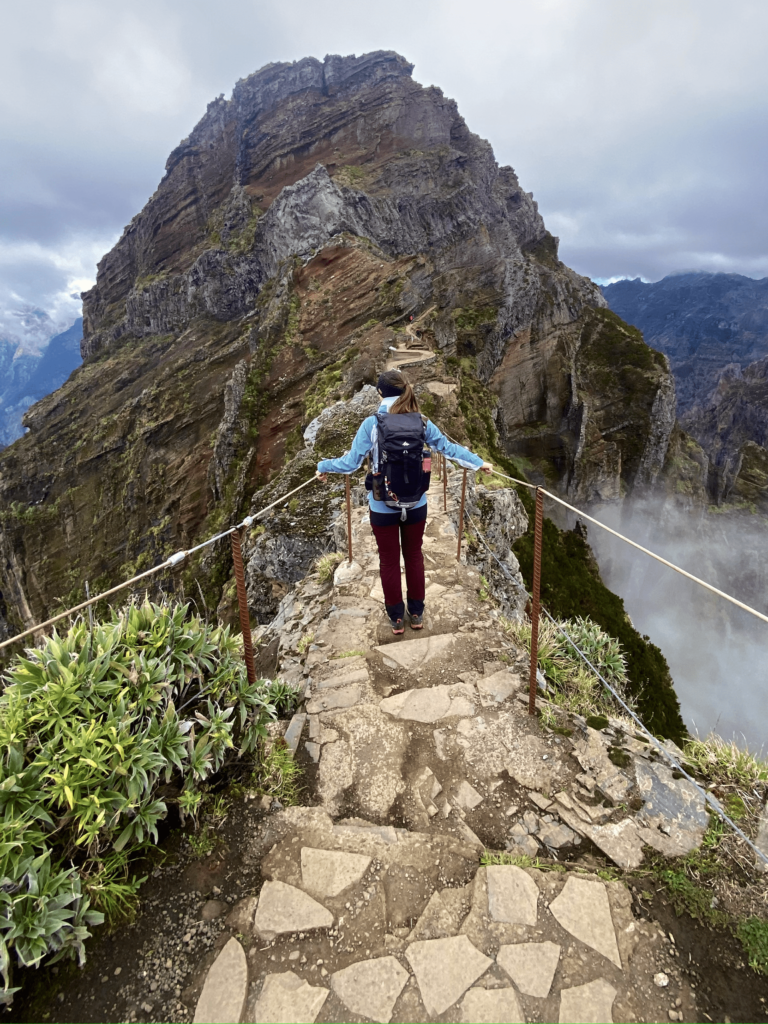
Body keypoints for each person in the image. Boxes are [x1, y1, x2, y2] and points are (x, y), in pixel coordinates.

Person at [315, 369, 493, 634]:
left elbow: (350, 463)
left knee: (388, 561)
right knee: (414, 556)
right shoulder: (422, 422)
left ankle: (397, 619)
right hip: (417, 503)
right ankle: (417, 614)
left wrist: (323, 465)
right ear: (405, 390)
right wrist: (479, 464)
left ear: (379, 393)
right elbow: (448, 448)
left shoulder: (372, 424)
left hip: (382, 505)